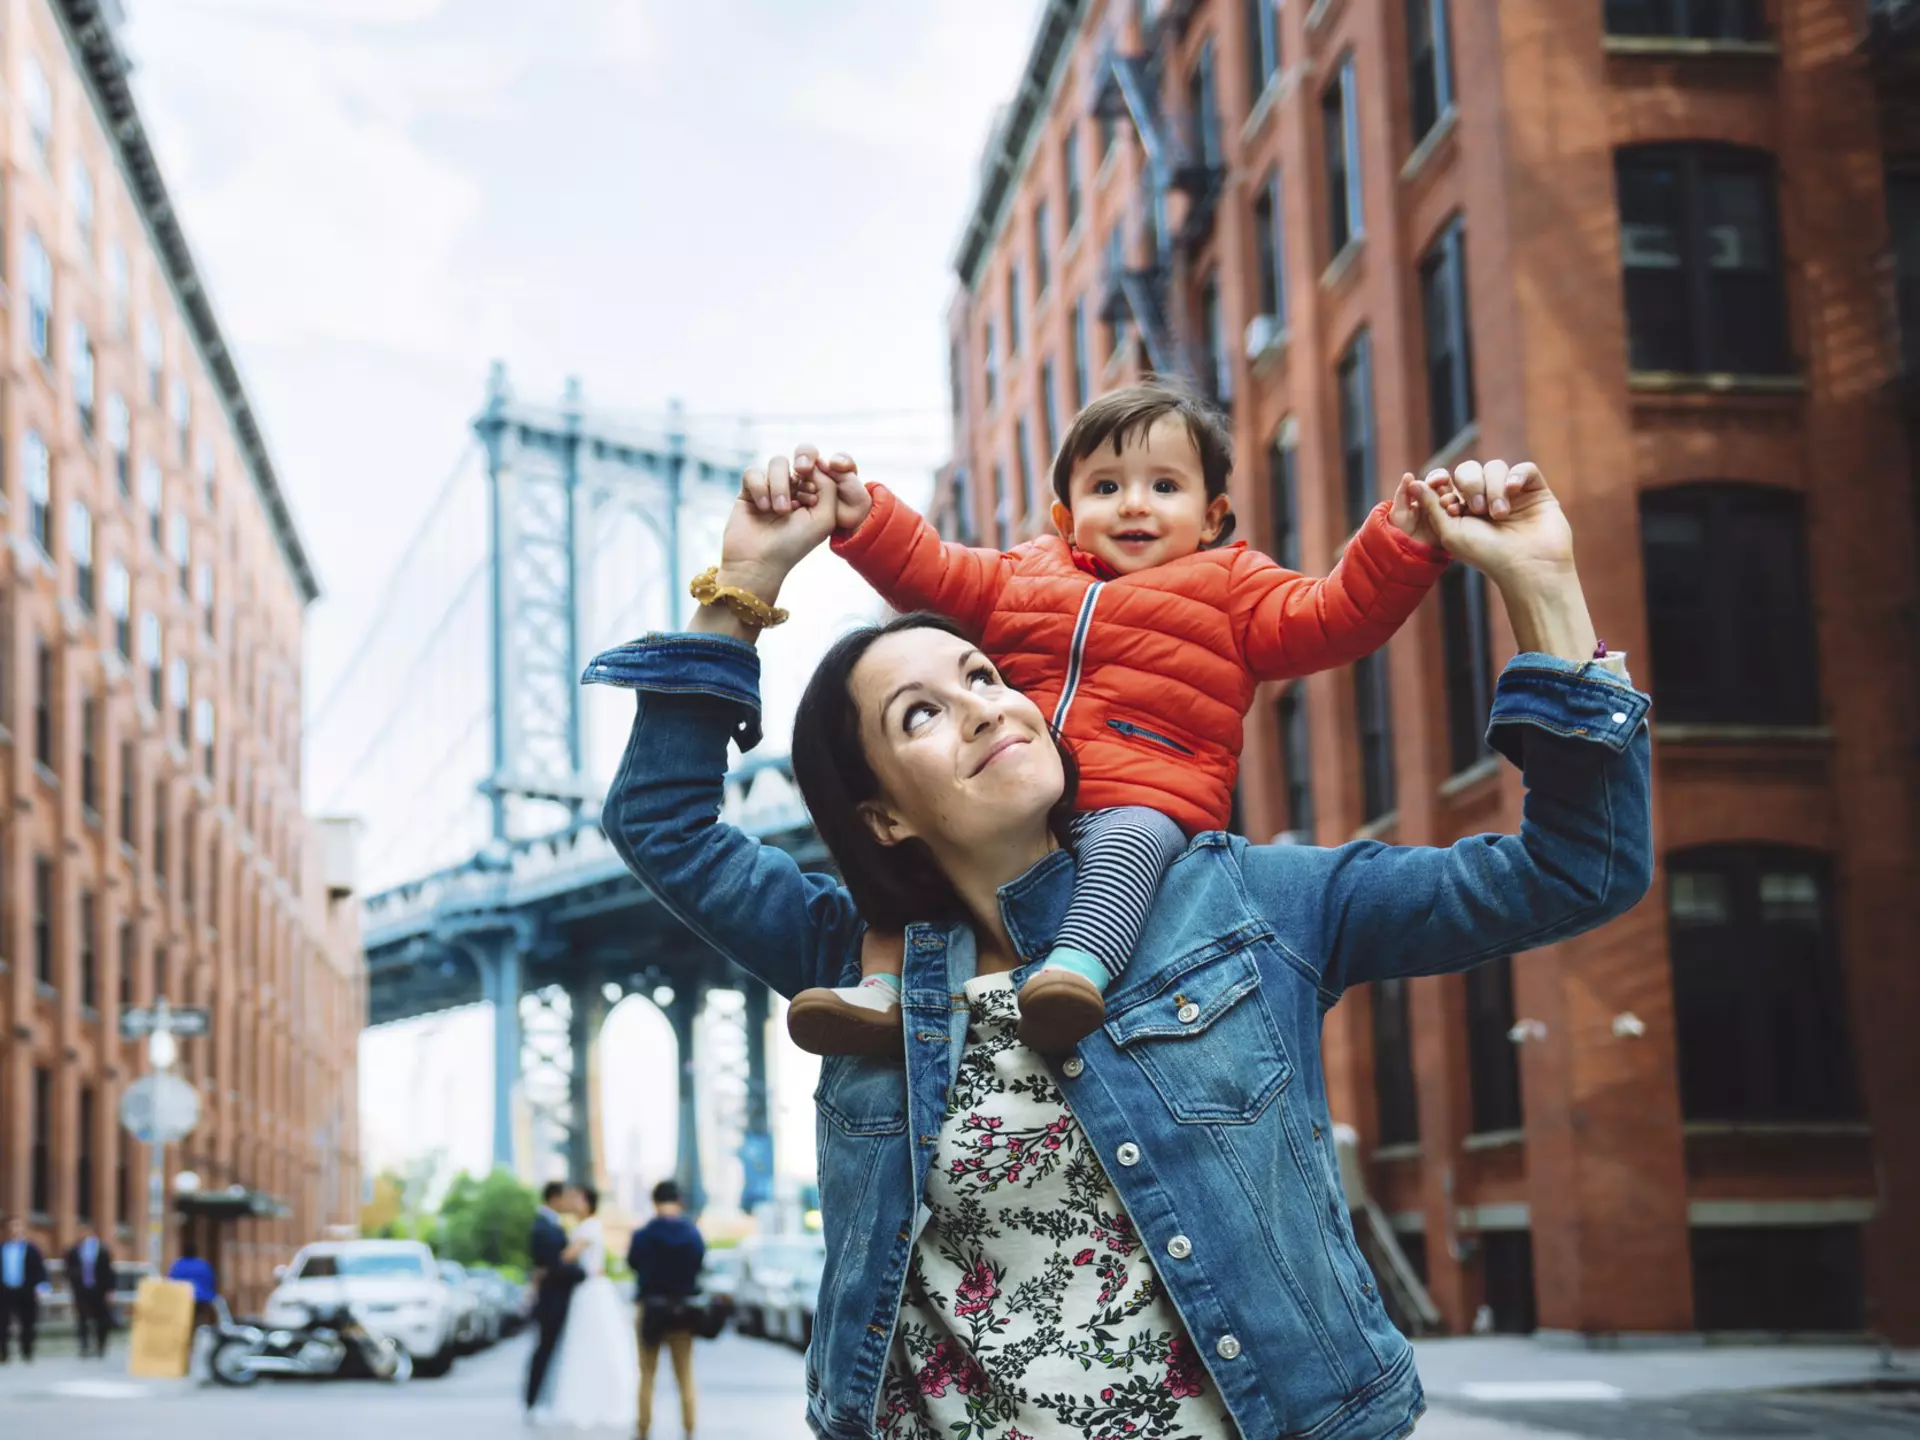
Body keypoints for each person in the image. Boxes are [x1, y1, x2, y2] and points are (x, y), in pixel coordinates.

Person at [583, 450, 1653, 1440]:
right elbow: (662, 826)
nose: (984, 709)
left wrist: (1544, 589)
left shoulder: (1245, 903)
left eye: (985, 678)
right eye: (920, 716)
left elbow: (1576, 870)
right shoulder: (848, 961)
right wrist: (744, 581)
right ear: (883, 818)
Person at [780, 381, 1451, 1055]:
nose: (1134, 503)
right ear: (1066, 516)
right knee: (919, 874)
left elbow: (1334, 616)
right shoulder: (1024, 574)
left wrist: (1398, 545)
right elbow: (934, 572)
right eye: (1105, 488)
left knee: (1125, 846)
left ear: (1212, 515)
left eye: (1165, 486)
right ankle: (879, 994)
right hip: (1023, 796)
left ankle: (1074, 975)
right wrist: (867, 521)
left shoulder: (1234, 588)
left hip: (1144, 795)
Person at [528, 1185, 640, 1432]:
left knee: (587, 1345)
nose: (572, 1203)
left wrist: (544, 1270)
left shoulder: (588, 1228)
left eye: (577, 1199)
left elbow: (565, 1259)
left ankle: (585, 1400)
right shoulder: (579, 1227)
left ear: (588, 1203)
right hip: (585, 1291)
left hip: (590, 1290)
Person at [627, 1180, 706, 1440]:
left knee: (647, 1373)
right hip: (682, 1311)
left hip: (650, 1309)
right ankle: (689, 1428)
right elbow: (698, 1264)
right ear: (679, 1201)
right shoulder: (693, 1234)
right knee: (685, 1373)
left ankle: (643, 1429)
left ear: (655, 1202)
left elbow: (633, 1263)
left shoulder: (643, 1235)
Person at [524, 1181, 586, 1414]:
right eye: (566, 1197)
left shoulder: (550, 1225)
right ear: (555, 1198)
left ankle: (539, 1400)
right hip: (552, 1300)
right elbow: (554, 1266)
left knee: (549, 1349)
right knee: (545, 1349)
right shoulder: (544, 1227)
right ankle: (535, 1401)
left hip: (556, 1298)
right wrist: (582, 1273)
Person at [0, 1217, 50, 1364]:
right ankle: (4, 1354)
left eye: (18, 1226)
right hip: (5, 1291)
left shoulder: (31, 1249)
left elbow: (40, 1270)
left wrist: (42, 1286)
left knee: (28, 1323)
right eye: (12, 1227)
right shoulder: (2, 1248)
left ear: (22, 1229)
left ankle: (26, 1351)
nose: (15, 1230)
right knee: (2, 1323)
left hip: (26, 1291)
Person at [64, 1226, 117, 1359]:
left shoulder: (102, 1250)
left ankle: (101, 1345)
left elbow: (109, 1271)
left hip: (99, 1290)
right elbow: (67, 1269)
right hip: (81, 1290)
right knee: (82, 1320)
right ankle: (84, 1346)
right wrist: (73, 1280)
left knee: (101, 1320)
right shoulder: (74, 1250)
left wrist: (110, 1290)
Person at [167, 1241, 220, 1332]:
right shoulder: (203, 1265)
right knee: (198, 1317)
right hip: (202, 1299)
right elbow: (212, 1281)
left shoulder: (178, 1265)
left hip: (183, 1299)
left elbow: (171, 1283)